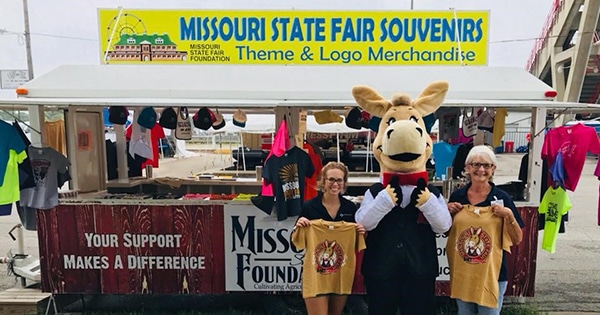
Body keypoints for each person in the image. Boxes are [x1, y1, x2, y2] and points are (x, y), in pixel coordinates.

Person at [446, 145, 524, 315]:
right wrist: (446, 212)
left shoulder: (502, 198)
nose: (481, 169)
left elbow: (517, 239)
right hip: (464, 274)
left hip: (492, 275)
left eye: (487, 165)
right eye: (476, 165)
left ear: (493, 169)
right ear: (467, 168)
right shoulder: (458, 197)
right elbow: (446, 231)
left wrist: (509, 215)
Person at [291, 161, 366, 315]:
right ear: (323, 181)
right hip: (315, 275)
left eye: (339, 180)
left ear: (344, 183)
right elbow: (295, 244)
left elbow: (357, 244)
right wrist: (298, 228)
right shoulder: (310, 206)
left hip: (340, 274)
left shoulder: (349, 208)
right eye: (331, 179)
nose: (335, 184)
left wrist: (361, 232)